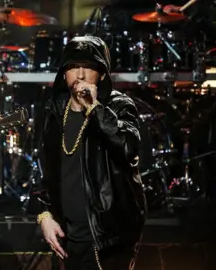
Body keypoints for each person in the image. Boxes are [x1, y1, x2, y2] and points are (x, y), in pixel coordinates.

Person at [37, 35, 147, 270]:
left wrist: (95, 109)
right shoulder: (54, 110)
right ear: (63, 73)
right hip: (68, 238)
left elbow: (128, 148)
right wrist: (44, 214)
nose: (80, 75)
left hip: (109, 238)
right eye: (73, 67)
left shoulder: (119, 106)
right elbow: (43, 168)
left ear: (103, 73)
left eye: (88, 67)